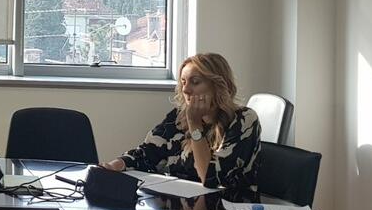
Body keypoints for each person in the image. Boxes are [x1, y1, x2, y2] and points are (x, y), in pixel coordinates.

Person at [101, 52, 261, 191]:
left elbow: (211, 178)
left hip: (226, 208)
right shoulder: (178, 117)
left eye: (195, 82)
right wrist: (116, 165)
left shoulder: (243, 120)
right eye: (183, 82)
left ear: (217, 85)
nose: (186, 89)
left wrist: (195, 124)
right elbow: (147, 153)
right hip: (183, 204)